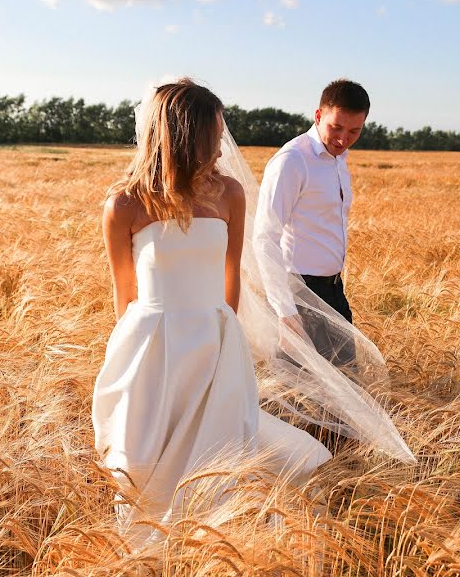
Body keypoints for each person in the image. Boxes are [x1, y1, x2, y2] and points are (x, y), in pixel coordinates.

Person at [93, 77, 415, 549]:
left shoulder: (228, 195)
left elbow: (232, 281)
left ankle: (219, 544)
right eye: (214, 133)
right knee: (145, 457)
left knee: (222, 448)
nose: (222, 145)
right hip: (150, 344)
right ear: (185, 134)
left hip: (214, 338)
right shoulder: (124, 204)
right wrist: (132, 362)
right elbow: (124, 293)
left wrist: (224, 342)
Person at [254, 78, 370, 379]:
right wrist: (285, 311)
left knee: (345, 388)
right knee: (296, 395)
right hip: (299, 292)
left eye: (354, 131)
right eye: (336, 128)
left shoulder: (338, 160)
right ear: (318, 116)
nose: (344, 139)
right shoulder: (292, 161)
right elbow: (265, 237)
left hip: (333, 289)